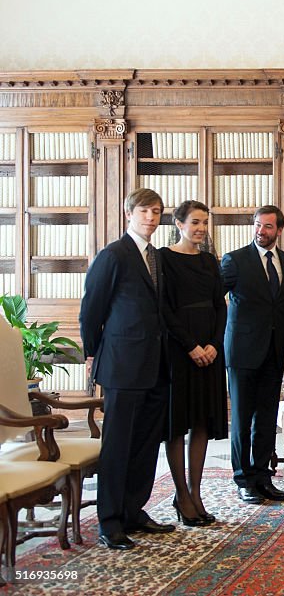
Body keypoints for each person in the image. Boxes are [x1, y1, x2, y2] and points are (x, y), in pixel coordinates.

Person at [80, 188, 173, 550]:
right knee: (118, 445)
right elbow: (92, 310)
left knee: (146, 444)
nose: (151, 217)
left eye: (156, 212)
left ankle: (135, 510)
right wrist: (92, 353)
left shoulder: (157, 258)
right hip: (122, 365)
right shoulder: (113, 255)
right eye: (145, 211)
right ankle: (110, 521)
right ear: (128, 212)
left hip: (155, 365)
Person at [221, 205, 284, 504]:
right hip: (242, 352)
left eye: (267, 227)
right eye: (257, 225)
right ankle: (243, 478)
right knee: (241, 418)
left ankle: (263, 477)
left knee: (266, 418)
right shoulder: (235, 260)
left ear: (279, 230)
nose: (261, 231)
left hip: (274, 351)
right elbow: (216, 301)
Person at [160, 200, 227, 527]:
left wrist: (214, 344)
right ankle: (181, 494)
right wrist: (192, 346)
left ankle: (196, 492)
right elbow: (164, 310)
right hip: (179, 352)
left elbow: (221, 306)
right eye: (195, 222)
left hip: (210, 353)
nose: (201, 228)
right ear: (179, 223)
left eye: (204, 223)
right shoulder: (163, 258)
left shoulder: (210, 261)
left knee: (201, 421)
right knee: (178, 423)